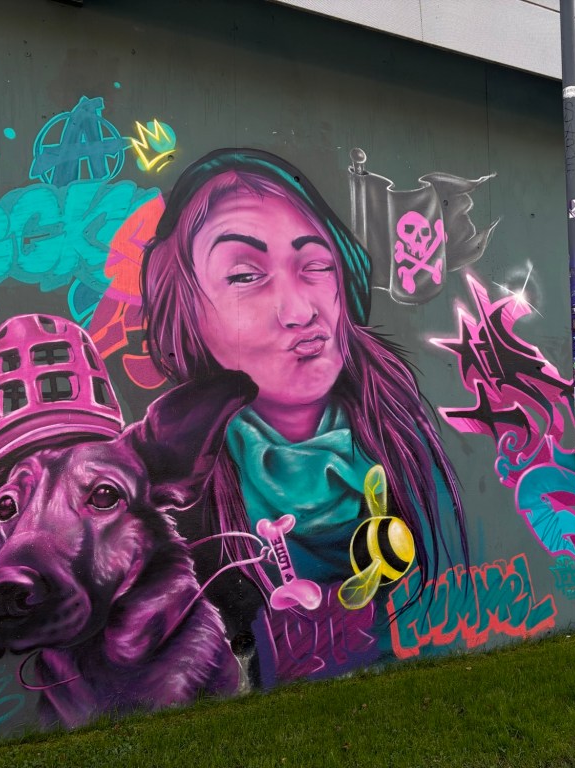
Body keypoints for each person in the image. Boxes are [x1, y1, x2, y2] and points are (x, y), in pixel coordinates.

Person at [140, 148, 468, 683]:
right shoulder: (179, 502)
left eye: (316, 266)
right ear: (185, 312)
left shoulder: (404, 445)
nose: (300, 311)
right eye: (245, 276)